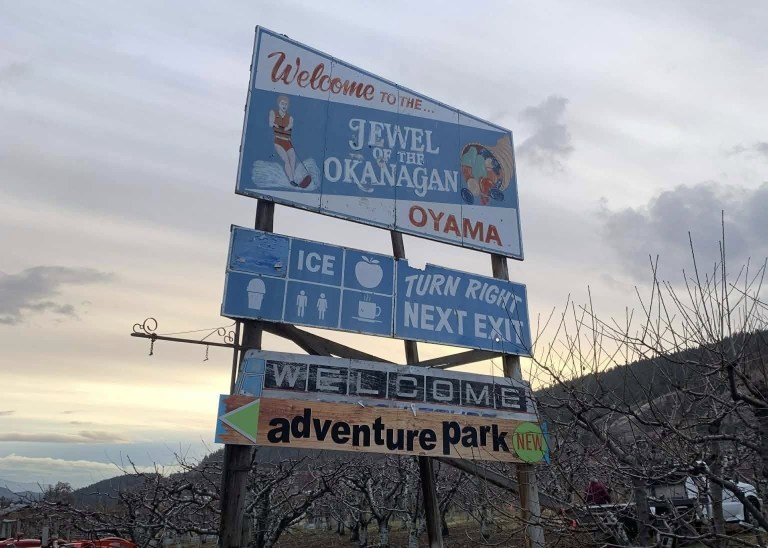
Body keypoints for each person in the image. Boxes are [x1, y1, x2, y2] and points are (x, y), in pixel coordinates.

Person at [269, 95, 297, 185]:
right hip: (278, 141)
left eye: (286, 104)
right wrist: (275, 124)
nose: (284, 105)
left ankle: (292, 179)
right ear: (279, 104)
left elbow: (289, 126)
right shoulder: (273, 113)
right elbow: (270, 123)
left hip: (288, 142)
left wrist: (286, 127)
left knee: (293, 158)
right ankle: (291, 179)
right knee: (286, 159)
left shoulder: (290, 118)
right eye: (282, 103)